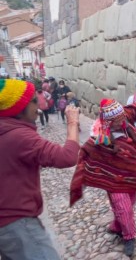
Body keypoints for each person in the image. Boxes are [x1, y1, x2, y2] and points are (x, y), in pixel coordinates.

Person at [70, 83, 136, 257]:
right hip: (113, 177)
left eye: (123, 117)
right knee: (123, 205)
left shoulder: (123, 115)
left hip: (130, 171)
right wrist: (81, 178)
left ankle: (117, 225)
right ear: (110, 121)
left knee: (131, 199)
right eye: (119, 120)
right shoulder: (100, 136)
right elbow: (86, 152)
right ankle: (128, 236)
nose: (123, 121)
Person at [0, 78, 80, 260]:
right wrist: (73, 123)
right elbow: (66, 157)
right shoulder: (19, 136)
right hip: (17, 221)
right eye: (34, 101)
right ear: (18, 109)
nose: (39, 104)